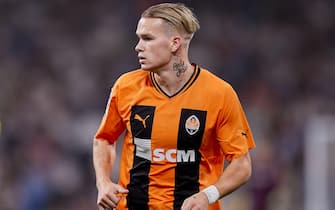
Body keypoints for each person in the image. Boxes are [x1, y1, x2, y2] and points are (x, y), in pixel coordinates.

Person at [93, 3, 255, 210]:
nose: (138, 46)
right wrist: (103, 182)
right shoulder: (126, 87)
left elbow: (242, 165)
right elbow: (104, 139)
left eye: (148, 38)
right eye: (139, 38)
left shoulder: (219, 94)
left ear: (174, 43)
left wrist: (207, 196)